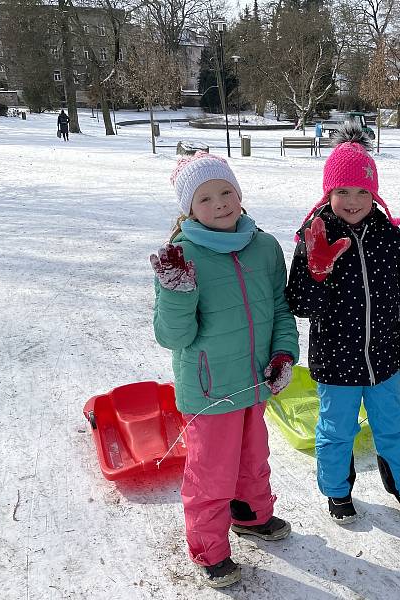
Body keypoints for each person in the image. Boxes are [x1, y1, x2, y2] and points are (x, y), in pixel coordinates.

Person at [150, 151, 299, 588]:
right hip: (210, 389)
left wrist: (283, 355)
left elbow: (279, 308)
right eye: (204, 198)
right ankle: (209, 549)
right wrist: (177, 292)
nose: (219, 204)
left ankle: (251, 515)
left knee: (254, 458)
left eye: (226, 192)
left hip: (256, 382)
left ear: (239, 194)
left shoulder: (265, 246)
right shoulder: (183, 255)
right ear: (188, 209)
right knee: (211, 472)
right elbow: (172, 337)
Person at [285, 123, 400, 525]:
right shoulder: (314, 236)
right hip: (336, 363)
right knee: (336, 431)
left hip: (383, 360)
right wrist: (316, 273)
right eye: (342, 192)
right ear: (328, 193)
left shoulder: (389, 237)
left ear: (375, 194)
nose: (352, 201)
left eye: (362, 191)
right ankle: (337, 492)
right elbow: (299, 304)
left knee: (394, 426)